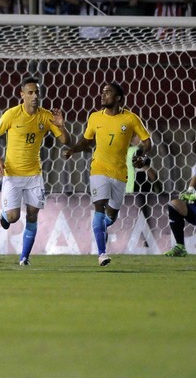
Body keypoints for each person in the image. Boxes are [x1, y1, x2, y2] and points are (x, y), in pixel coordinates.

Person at [63, 82, 152, 266]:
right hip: (99, 169)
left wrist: (141, 155)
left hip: (120, 173)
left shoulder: (131, 119)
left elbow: (147, 141)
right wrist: (73, 150)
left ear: (118, 98)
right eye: (102, 92)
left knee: (110, 217)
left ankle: (97, 228)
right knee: (99, 206)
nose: (103, 95)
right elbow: (86, 141)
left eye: (108, 93)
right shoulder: (95, 118)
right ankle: (102, 253)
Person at [0, 77, 71, 266]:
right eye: (30, 92)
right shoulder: (12, 114)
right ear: (22, 94)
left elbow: (67, 142)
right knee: (13, 217)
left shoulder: (46, 116)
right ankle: (4, 214)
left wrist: (61, 126)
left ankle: (24, 258)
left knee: (33, 214)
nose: (34, 96)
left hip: (34, 175)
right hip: (12, 174)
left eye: (37, 92)